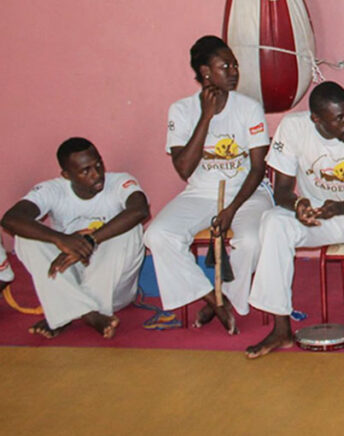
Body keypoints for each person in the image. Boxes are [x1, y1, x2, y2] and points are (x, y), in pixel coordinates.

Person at [247, 82, 344, 357]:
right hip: (317, 212)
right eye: (339, 118)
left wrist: (336, 208)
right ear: (316, 119)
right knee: (274, 222)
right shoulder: (293, 128)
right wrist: (300, 205)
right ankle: (281, 327)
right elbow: (281, 191)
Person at [144, 35, 273, 334]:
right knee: (158, 235)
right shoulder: (181, 110)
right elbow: (184, 168)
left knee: (251, 241)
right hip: (201, 193)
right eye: (224, 66)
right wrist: (206, 116)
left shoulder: (249, 108)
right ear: (205, 73)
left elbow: (257, 169)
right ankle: (214, 300)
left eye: (235, 65)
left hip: (248, 193)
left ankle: (224, 296)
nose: (233, 72)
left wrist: (231, 208)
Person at [1, 137, 149, 338]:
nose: (97, 174)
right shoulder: (52, 190)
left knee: (130, 230)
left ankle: (66, 312)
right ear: (66, 175)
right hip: (71, 276)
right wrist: (61, 240)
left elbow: (139, 210)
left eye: (98, 164)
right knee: (25, 239)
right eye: (85, 170)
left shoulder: (120, 181)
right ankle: (88, 314)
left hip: (112, 288)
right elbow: (11, 219)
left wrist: (90, 240)